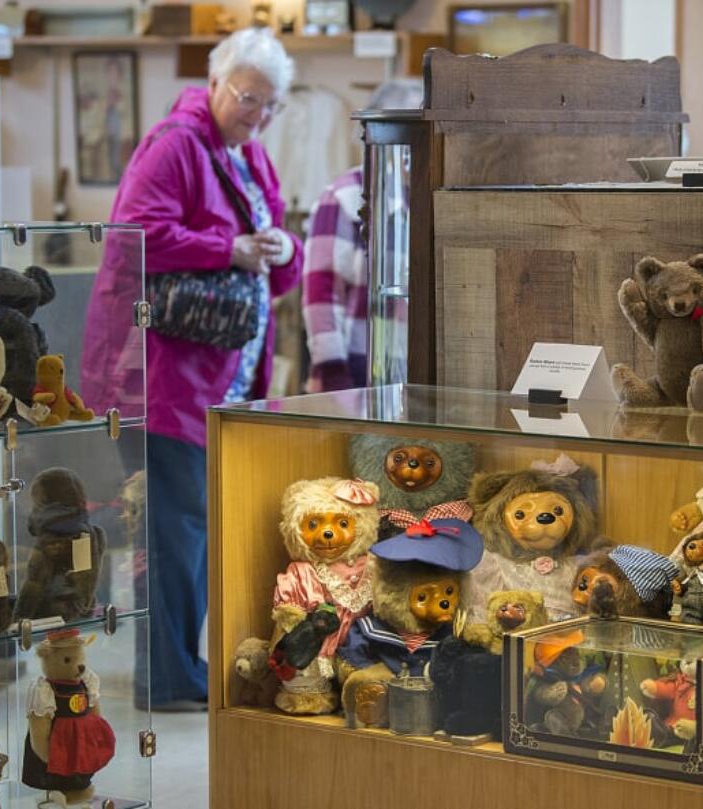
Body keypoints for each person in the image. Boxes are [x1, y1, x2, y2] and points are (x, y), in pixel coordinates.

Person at [81, 28, 302, 711]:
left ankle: (180, 664)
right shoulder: (175, 145)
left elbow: (279, 268)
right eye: (247, 98)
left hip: (221, 380)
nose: (257, 114)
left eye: (269, 105)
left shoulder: (250, 156)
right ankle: (169, 674)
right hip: (160, 375)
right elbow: (134, 234)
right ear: (215, 83)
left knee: (193, 527)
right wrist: (228, 247)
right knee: (173, 528)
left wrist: (280, 245)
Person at [302, 79, 423, 392]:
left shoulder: (430, 198)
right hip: (355, 378)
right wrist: (334, 383)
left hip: (412, 382)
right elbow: (321, 298)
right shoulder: (345, 195)